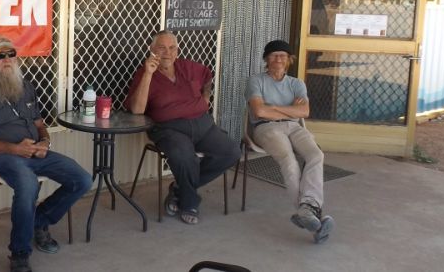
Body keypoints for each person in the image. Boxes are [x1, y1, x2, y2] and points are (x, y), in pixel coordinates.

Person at [0, 36, 92, 272]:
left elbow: (40, 123)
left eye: (10, 54)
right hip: (1, 155)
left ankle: (39, 221)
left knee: (82, 179)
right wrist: (15, 149)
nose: (6, 60)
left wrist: (45, 141)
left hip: (35, 151)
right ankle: (20, 253)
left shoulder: (27, 87)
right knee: (28, 185)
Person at [124, 30, 240, 224]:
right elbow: (137, 110)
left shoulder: (187, 67)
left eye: (172, 48)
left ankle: (179, 188)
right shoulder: (145, 73)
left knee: (231, 152)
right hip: (169, 129)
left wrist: (205, 97)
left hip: (203, 124)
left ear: (177, 51)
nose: (167, 53)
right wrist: (148, 75)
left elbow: (207, 75)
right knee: (184, 157)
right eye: (161, 48)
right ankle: (189, 203)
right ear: (152, 50)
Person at [245, 40, 335, 244]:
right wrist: (286, 108)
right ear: (267, 59)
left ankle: (308, 208)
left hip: (295, 126)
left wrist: (273, 108)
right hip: (265, 128)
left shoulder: (296, 83)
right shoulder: (256, 81)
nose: (279, 59)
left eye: (283, 56)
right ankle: (311, 214)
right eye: (274, 55)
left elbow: (304, 111)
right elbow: (259, 111)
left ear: (289, 60)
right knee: (288, 160)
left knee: (316, 155)